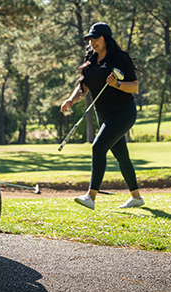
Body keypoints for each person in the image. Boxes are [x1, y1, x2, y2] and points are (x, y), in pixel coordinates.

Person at [61, 22, 144, 209]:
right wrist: (70, 100)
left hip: (123, 112)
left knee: (98, 147)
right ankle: (137, 198)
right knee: (121, 155)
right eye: (90, 39)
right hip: (103, 114)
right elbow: (83, 87)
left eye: (96, 38)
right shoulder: (91, 59)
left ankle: (91, 197)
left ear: (106, 38)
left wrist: (117, 85)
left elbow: (135, 87)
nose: (92, 43)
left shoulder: (119, 58)